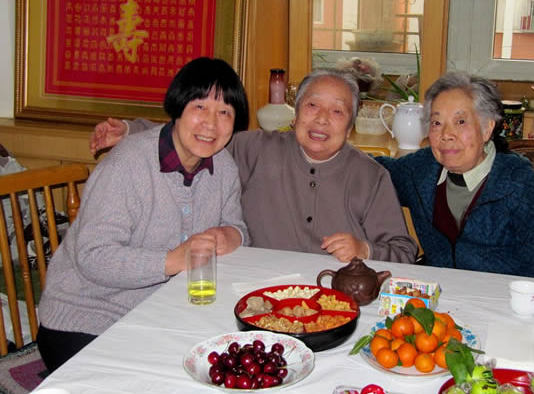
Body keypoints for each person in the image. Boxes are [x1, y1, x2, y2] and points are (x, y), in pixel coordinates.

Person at [38, 57, 250, 372]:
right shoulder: (127, 165)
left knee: (230, 363)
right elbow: (93, 256)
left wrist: (231, 235)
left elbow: (238, 229)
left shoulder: (224, 167)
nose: (211, 124)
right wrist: (172, 260)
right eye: (199, 107)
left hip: (159, 314)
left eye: (224, 113)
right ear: (178, 108)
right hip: (84, 318)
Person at [89, 68, 417, 263]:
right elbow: (200, 137)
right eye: (312, 105)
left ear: (350, 124)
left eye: (337, 111)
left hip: (337, 296)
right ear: (296, 113)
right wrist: (131, 130)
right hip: (259, 291)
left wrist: (364, 249)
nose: (321, 119)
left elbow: (404, 250)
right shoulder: (258, 148)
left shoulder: (370, 176)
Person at [376, 72, 534, 279]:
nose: (446, 134)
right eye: (437, 123)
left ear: (487, 128)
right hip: (438, 293)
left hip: (504, 296)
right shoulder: (421, 169)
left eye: (461, 121)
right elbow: (371, 171)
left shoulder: (519, 186)